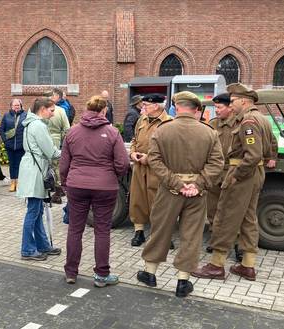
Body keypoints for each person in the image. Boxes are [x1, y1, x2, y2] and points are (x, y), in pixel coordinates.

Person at [135, 91, 224, 298]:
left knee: (161, 230)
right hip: (197, 193)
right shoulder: (209, 132)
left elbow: (154, 160)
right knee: (191, 235)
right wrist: (197, 184)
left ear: (177, 107)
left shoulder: (164, 130)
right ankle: (183, 281)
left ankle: (150, 273)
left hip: (169, 190)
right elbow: (217, 163)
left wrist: (176, 183)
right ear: (196, 110)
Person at [193, 83, 277, 282]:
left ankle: (216, 265)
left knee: (225, 217)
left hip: (243, 174)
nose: (231, 104)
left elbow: (253, 155)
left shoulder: (248, 121)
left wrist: (236, 175)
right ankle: (247, 265)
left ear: (244, 101)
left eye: (233, 101)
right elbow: (266, 149)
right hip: (255, 174)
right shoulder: (261, 118)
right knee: (248, 218)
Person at [61, 95, 130, 286]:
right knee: (102, 230)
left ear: (86, 110)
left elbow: (64, 164)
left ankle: (71, 272)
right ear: (104, 111)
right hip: (105, 187)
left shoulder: (73, 132)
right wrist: (113, 176)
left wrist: (65, 183)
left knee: (75, 229)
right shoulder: (112, 132)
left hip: (77, 185)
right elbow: (122, 163)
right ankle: (101, 274)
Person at [16, 97, 62, 261]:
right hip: (35, 171)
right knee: (34, 211)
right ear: (42, 109)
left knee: (37, 210)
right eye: (51, 110)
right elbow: (52, 152)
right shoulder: (38, 126)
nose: (53, 113)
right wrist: (69, 152)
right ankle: (27, 250)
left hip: (32, 170)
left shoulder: (31, 123)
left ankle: (42, 245)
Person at [203, 93, 244, 260]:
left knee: (233, 210)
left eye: (220, 108)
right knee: (213, 209)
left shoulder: (241, 124)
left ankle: (238, 245)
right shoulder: (212, 124)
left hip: (233, 172)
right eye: (216, 107)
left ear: (230, 108)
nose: (217, 111)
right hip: (215, 173)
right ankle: (216, 241)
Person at [128, 94, 171, 246]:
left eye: (145, 105)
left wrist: (150, 158)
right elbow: (135, 139)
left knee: (158, 202)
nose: (142, 108)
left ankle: (161, 236)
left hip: (158, 169)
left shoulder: (169, 123)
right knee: (137, 200)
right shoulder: (142, 120)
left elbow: (170, 149)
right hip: (139, 167)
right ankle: (138, 232)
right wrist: (132, 152)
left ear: (156, 106)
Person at [46, 88, 71, 204]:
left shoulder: (41, 109)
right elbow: (67, 128)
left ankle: (51, 190)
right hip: (55, 141)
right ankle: (58, 190)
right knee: (56, 166)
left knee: (45, 165)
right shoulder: (61, 111)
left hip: (43, 139)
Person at [0, 98, 27, 192]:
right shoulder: (6, 116)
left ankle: (19, 183)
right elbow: (2, 129)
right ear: (11, 106)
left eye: (18, 105)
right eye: (15, 105)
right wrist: (5, 141)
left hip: (21, 146)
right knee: (12, 164)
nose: (16, 107)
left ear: (21, 106)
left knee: (20, 165)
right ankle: (12, 183)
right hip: (10, 145)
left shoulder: (25, 115)